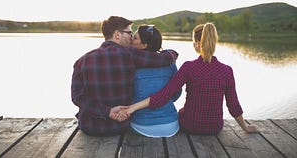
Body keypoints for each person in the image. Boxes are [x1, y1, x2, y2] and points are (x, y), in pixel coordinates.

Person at [116, 23, 258, 135]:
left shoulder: (189, 67)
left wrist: (132, 108)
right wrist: (245, 127)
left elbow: (163, 95)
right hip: (215, 128)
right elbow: (233, 105)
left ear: (196, 44)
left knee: (182, 112)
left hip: (190, 126)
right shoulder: (227, 71)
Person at [71, 16, 178, 136]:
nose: (131, 37)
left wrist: (108, 112)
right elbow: (161, 59)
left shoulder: (81, 61)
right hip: (119, 126)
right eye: (129, 33)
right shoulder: (129, 54)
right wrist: (172, 53)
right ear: (117, 34)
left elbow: (77, 97)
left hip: (89, 127)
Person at [130, 24, 181, 137]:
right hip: (171, 125)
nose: (130, 39)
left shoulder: (131, 64)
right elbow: (176, 93)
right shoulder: (169, 62)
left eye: (134, 37)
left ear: (144, 45)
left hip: (141, 125)